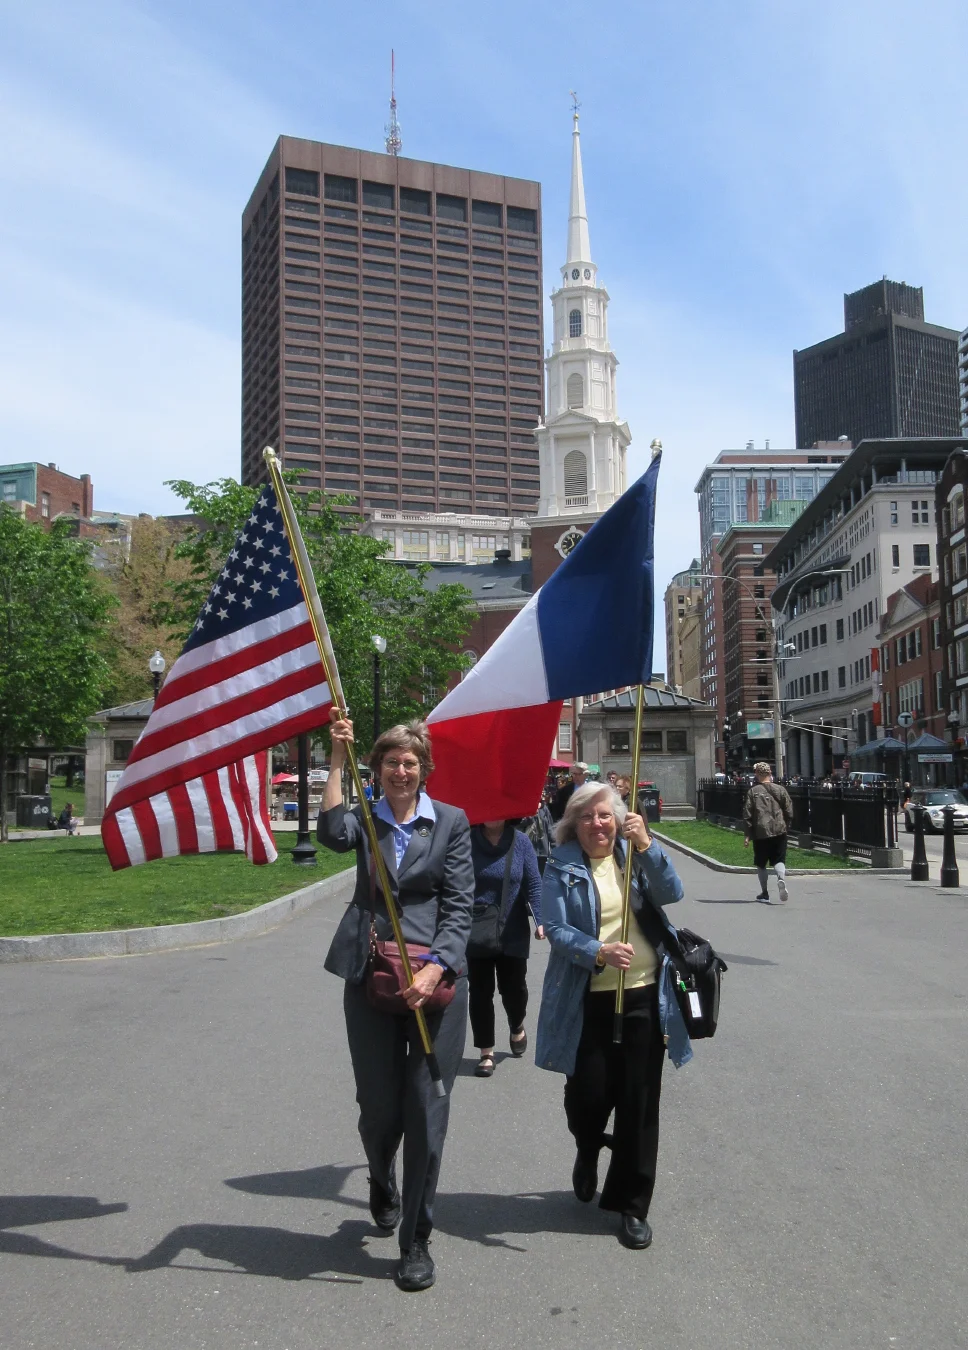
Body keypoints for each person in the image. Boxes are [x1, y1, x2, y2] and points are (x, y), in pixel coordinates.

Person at [317, 717, 474, 1293]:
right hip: (370, 978)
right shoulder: (363, 817)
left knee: (426, 1112)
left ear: (424, 770)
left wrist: (437, 967)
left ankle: (416, 1241)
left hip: (437, 988)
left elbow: (461, 903)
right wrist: (337, 759)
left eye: (411, 763)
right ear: (378, 770)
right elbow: (330, 833)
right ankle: (381, 1178)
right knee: (379, 1108)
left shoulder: (451, 822)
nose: (401, 772)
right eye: (391, 763)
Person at [535, 782, 691, 1251]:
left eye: (605, 815)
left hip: (647, 997)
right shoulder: (559, 866)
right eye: (586, 816)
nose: (597, 824)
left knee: (639, 1105)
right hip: (589, 1000)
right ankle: (587, 1147)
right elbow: (557, 928)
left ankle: (631, 1205)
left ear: (618, 819)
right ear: (573, 824)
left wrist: (645, 844)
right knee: (588, 1097)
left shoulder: (633, 856)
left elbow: (673, 892)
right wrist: (598, 951)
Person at [467, 819, 543, 1078]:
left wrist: (540, 920)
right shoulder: (467, 840)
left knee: (514, 989)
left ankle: (516, 1024)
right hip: (476, 928)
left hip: (512, 929)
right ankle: (486, 1052)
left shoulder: (520, 842)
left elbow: (533, 884)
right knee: (479, 993)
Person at [743, 761, 793, 904]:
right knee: (779, 859)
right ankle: (781, 879)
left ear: (757, 774)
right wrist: (786, 825)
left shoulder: (753, 792)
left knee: (761, 863)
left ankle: (765, 893)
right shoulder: (781, 790)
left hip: (761, 832)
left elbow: (747, 814)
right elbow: (789, 810)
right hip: (779, 830)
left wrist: (747, 835)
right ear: (770, 773)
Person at [521, 791, 555, 874]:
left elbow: (550, 828)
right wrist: (530, 815)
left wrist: (555, 846)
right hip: (529, 850)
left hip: (543, 851)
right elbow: (519, 825)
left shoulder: (544, 808)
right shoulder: (523, 806)